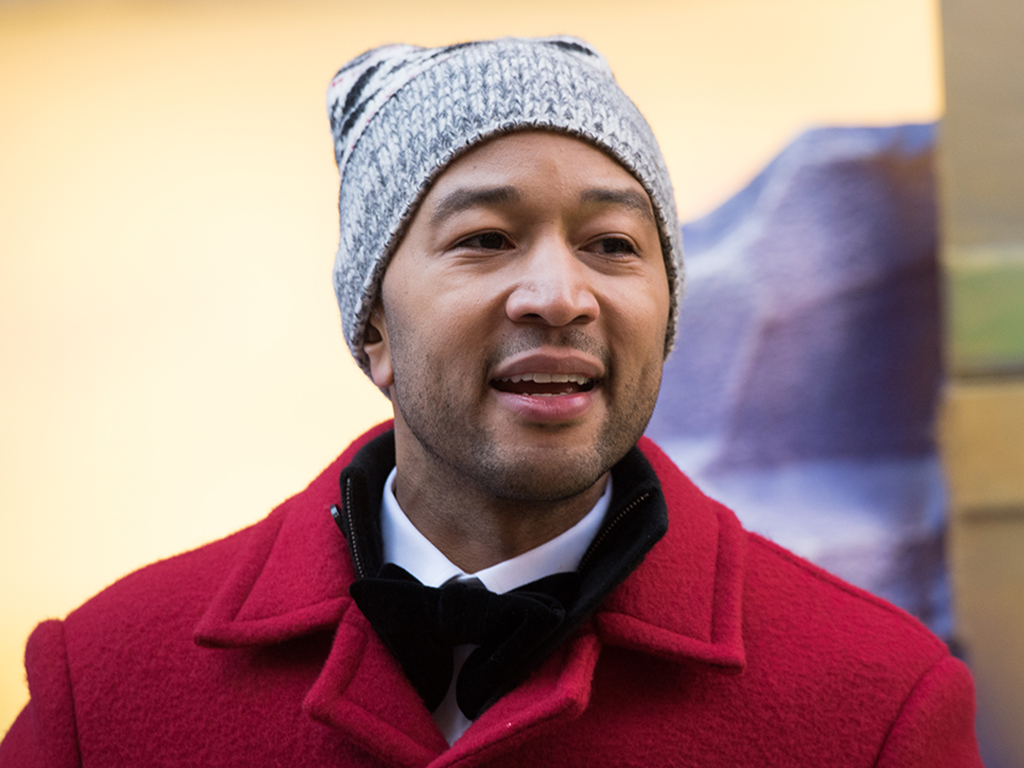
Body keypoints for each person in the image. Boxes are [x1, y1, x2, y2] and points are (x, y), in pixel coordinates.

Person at [0, 36, 982, 767]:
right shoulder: (106, 689)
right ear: (373, 328)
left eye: (612, 245)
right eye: (484, 240)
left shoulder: (873, 705)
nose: (559, 295)